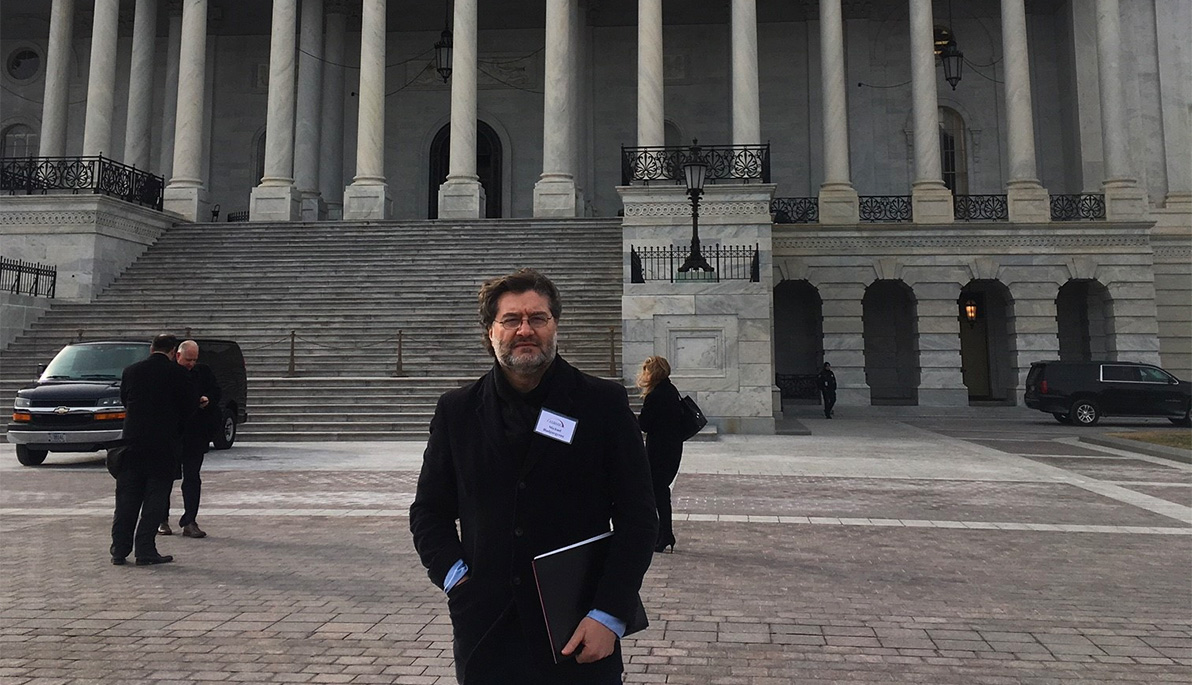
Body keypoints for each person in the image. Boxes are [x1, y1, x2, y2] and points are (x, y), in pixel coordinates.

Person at [409, 268, 657, 685]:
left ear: (555, 325)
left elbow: (638, 517)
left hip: (577, 627)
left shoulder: (603, 403)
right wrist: (457, 581)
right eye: (511, 320)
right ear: (490, 331)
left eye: (537, 318)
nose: (525, 330)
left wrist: (609, 614)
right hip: (486, 629)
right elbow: (429, 511)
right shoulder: (457, 411)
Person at [110, 334, 197, 566]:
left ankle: (119, 549)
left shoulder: (131, 371)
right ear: (172, 352)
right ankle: (145, 550)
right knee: (154, 500)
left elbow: (125, 399)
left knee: (126, 500)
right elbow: (188, 407)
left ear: (151, 349)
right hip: (163, 446)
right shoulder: (178, 373)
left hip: (132, 444)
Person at [159, 339, 221, 539]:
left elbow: (216, 392)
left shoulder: (203, 372)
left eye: (194, 360)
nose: (191, 364)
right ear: (177, 355)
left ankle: (190, 520)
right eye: (188, 359)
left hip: (195, 434)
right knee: (165, 477)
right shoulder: (168, 372)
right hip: (172, 433)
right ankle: (161, 519)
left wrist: (207, 399)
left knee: (192, 478)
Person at [636, 356, 684, 554]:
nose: (644, 374)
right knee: (660, 491)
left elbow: (644, 424)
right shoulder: (671, 390)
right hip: (672, 447)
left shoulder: (655, 395)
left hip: (659, 450)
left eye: (647, 370)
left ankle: (665, 534)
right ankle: (664, 533)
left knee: (659, 492)